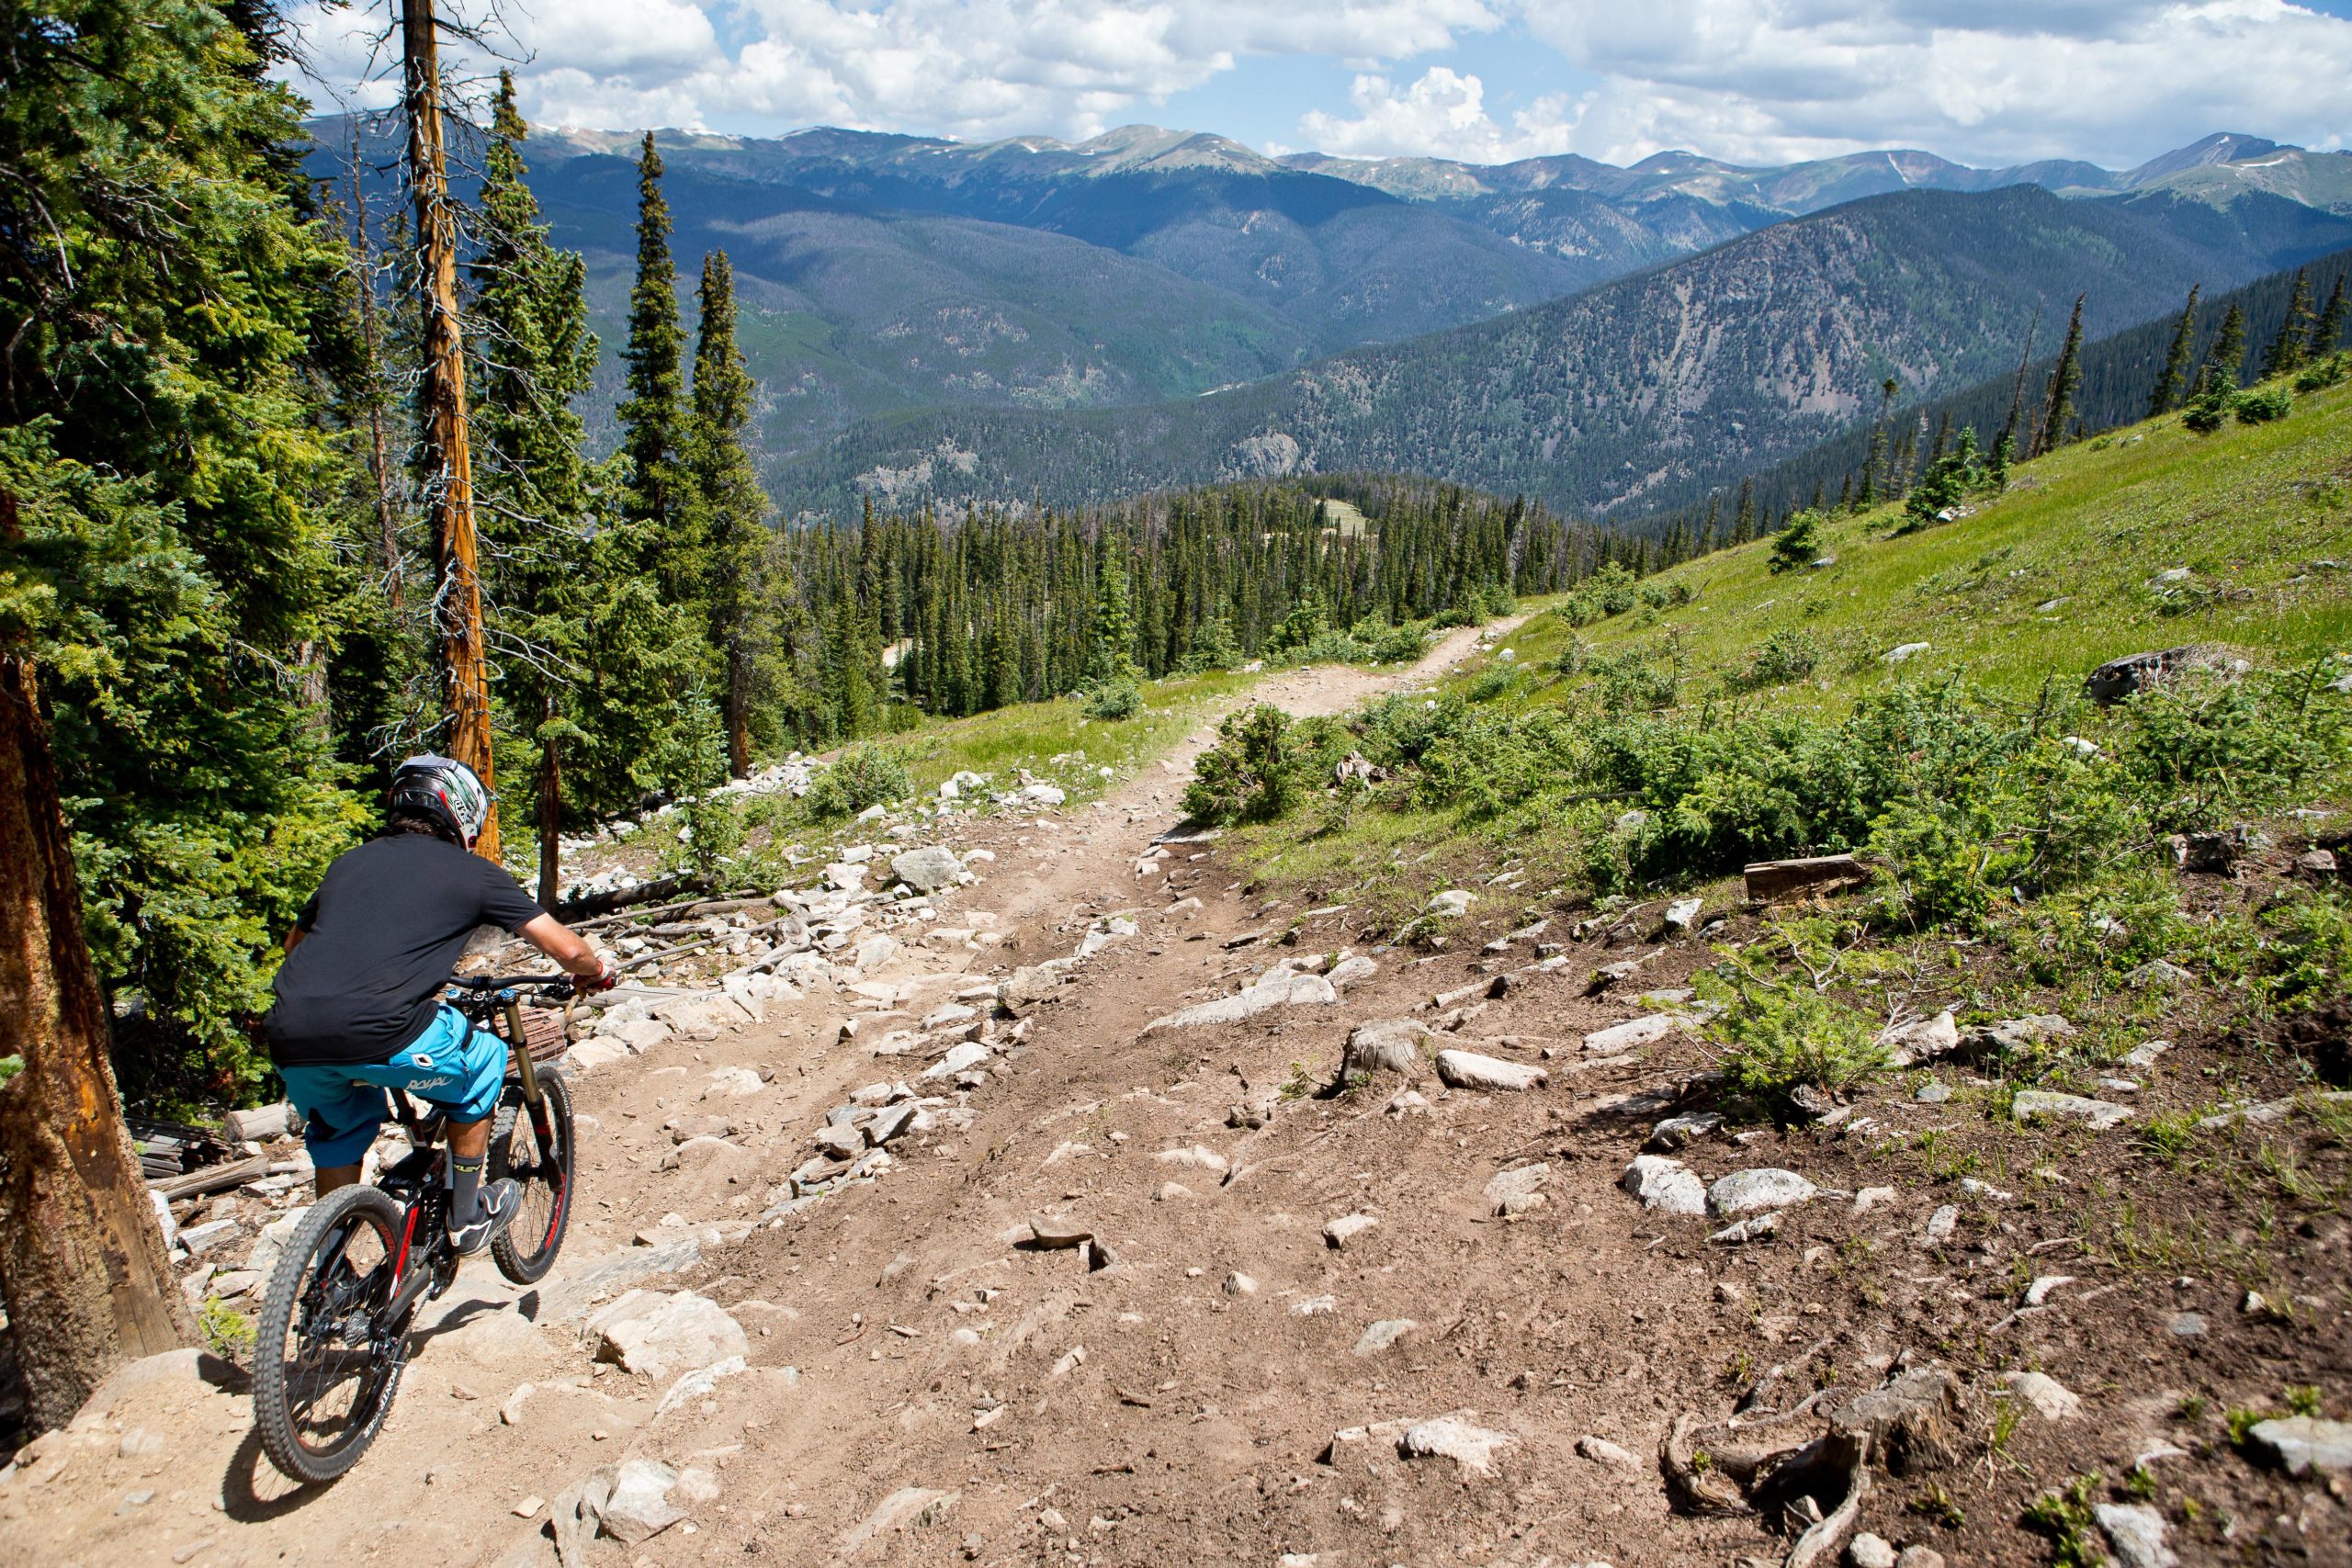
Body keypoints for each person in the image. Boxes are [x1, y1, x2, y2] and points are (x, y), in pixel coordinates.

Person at [264, 755, 616, 1254]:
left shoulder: (347, 864)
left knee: (341, 1129)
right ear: (462, 812)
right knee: (486, 1061)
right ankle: (467, 1215)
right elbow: (568, 950)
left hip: (291, 1032)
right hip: (385, 1029)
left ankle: (327, 1266)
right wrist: (597, 972)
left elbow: (294, 948)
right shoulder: (473, 873)